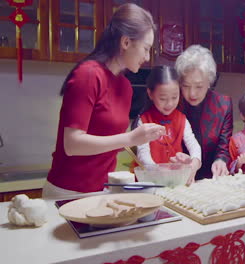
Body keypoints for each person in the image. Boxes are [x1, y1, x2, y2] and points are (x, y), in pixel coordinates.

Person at [43, 4, 166, 198]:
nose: (147, 57)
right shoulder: (89, 75)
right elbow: (72, 144)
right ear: (126, 42)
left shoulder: (125, 86)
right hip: (67, 191)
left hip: (101, 190)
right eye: (145, 48)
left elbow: (109, 143)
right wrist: (132, 138)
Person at [175, 45, 233, 179]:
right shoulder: (172, 104)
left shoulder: (223, 105)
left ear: (209, 82)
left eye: (199, 86)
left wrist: (221, 161)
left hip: (210, 179)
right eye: (186, 86)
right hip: (178, 177)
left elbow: (223, 147)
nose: (192, 93)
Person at [135, 66, 201, 184]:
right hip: (151, 181)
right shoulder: (144, 120)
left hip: (175, 181)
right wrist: (159, 171)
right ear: (150, 94)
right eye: (163, 98)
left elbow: (194, 146)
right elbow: (143, 154)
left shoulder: (182, 119)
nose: (169, 104)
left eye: (174, 97)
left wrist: (194, 163)